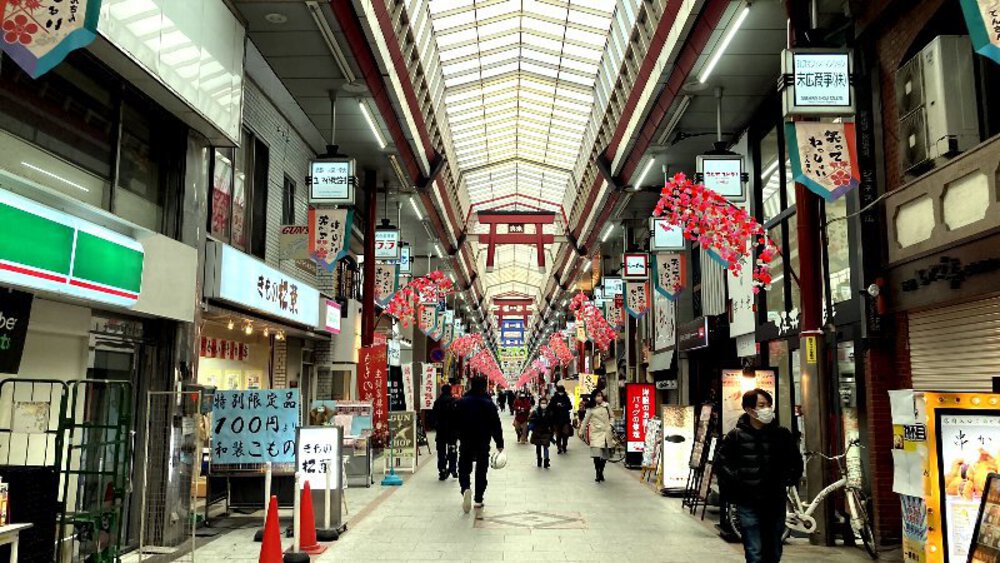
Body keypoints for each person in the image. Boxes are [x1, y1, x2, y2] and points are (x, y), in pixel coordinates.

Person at [716, 388, 803, 563]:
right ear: (749, 410)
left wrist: (788, 479)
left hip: (775, 500)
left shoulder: (781, 434)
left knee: (774, 549)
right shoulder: (735, 436)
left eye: (769, 405)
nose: (767, 409)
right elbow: (722, 464)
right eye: (762, 405)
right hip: (748, 501)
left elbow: (795, 460)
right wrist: (736, 485)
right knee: (754, 550)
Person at [454, 376, 504, 513]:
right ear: (484, 386)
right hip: (483, 441)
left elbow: (455, 422)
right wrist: (499, 442)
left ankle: (465, 488)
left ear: (471, 385)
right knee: (481, 470)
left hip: (466, 440)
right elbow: (496, 424)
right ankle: (478, 499)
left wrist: (456, 437)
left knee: (464, 468)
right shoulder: (488, 403)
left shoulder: (462, 402)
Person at [580, 391, 614, 482]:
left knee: (604, 456)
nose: (600, 398)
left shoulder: (606, 406)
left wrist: (611, 425)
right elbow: (585, 421)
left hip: (606, 434)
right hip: (595, 433)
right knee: (596, 455)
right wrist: (581, 432)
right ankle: (597, 472)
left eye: (601, 396)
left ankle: (601, 471)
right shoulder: (590, 409)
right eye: (597, 396)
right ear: (594, 397)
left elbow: (612, 417)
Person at [432, 383, 458, 480]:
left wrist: (436, 426)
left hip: (441, 431)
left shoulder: (437, 402)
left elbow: (433, 417)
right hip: (452, 431)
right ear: (450, 391)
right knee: (452, 449)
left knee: (441, 451)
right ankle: (453, 468)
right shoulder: (454, 402)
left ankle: (442, 470)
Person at [528, 397, 555, 468]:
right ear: (539, 404)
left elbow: (552, 423)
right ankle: (539, 459)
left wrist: (552, 432)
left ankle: (546, 460)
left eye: (544, 403)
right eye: (542, 403)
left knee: (546, 446)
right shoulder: (535, 412)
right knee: (538, 447)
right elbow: (530, 419)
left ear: (547, 404)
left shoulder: (550, 412)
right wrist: (534, 420)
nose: (543, 404)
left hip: (546, 432)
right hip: (537, 432)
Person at [549, 384, 573, 454]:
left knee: (566, 433)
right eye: (559, 391)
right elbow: (550, 407)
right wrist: (556, 405)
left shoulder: (566, 398)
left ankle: (564, 446)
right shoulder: (554, 398)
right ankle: (559, 447)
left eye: (562, 391)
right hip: (556, 419)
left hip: (565, 419)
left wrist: (564, 406)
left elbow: (570, 406)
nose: (561, 393)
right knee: (558, 434)